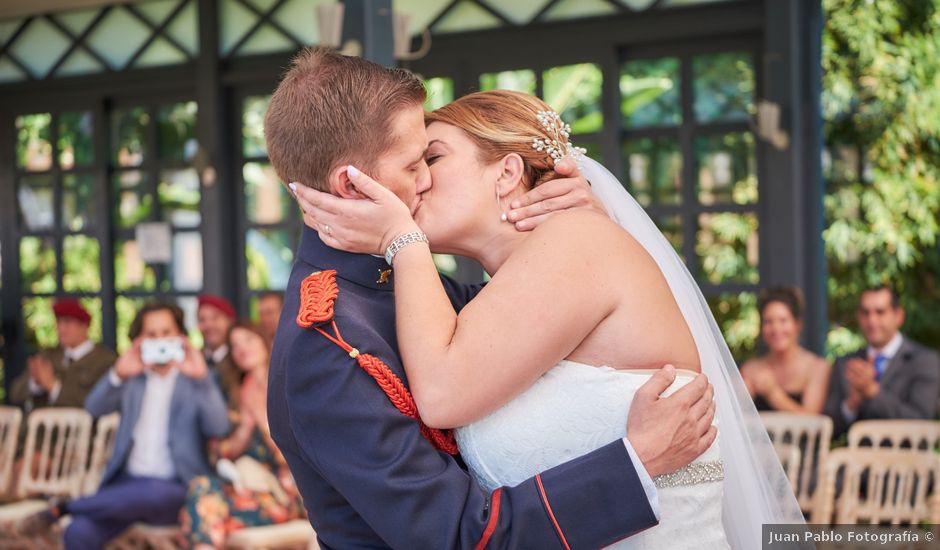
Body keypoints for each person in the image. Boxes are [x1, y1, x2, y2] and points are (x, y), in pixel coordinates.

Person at [293, 88, 804, 548]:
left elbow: (442, 395)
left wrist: (402, 242)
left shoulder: (576, 240)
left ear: (508, 171)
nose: (420, 181)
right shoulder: (493, 300)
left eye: (434, 157)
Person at [18, 301, 231, 549]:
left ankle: (63, 507)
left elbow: (219, 427)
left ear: (181, 336)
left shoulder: (197, 379)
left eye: (166, 333)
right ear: (139, 339)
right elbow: (93, 409)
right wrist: (117, 374)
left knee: (153, 491)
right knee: (78, 532)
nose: (160, 340)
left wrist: (202, 379)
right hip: (125, 485)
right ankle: (74, 509)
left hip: (176, 489)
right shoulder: (133, 378)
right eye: (151, 334)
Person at [181, 322, 303, 549]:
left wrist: (261, 419)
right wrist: (246, 424)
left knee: (207, 512)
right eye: (235, 345)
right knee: (202, 488)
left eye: (248, 339)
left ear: (264, 341)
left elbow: (297, 456)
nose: (241, 349)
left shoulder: (289, 385)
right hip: (247, 487)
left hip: (288, 493)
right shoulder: (237, 393)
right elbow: (220, 453)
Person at [824, 285, 940, 438]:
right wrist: (851, 404)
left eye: (880, 312)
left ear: (898, 316)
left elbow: (922, 422)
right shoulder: (845, 363)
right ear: (858, 316)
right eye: (865, 313)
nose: (872, 320)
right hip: (857, 459)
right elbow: (828, 429)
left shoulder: (925, 361)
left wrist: (872, 391)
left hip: (908, 460)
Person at [9, 299, 116, 411]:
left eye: (67, 322)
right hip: (39, 426)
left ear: (84, 325)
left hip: (82, 427)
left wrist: (53, 386)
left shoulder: (105, 360)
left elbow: (98, 402)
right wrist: (35, 382)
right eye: (58, 322)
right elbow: (15, 394)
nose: (61, 329)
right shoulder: (49, 355)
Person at [741, 287, 831, 413]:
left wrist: (773, 394)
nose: (776, 328)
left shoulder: (817, 368)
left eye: (783, 321)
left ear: (797, 324)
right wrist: (743, 399)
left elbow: (813, 421)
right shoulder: (750, 370)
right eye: (768, 321)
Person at [198, 294, 240, 409]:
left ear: (230, 321)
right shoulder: (195, 359)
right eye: (202, 319)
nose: (208, 325)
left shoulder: (239, 359)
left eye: (215, 318)